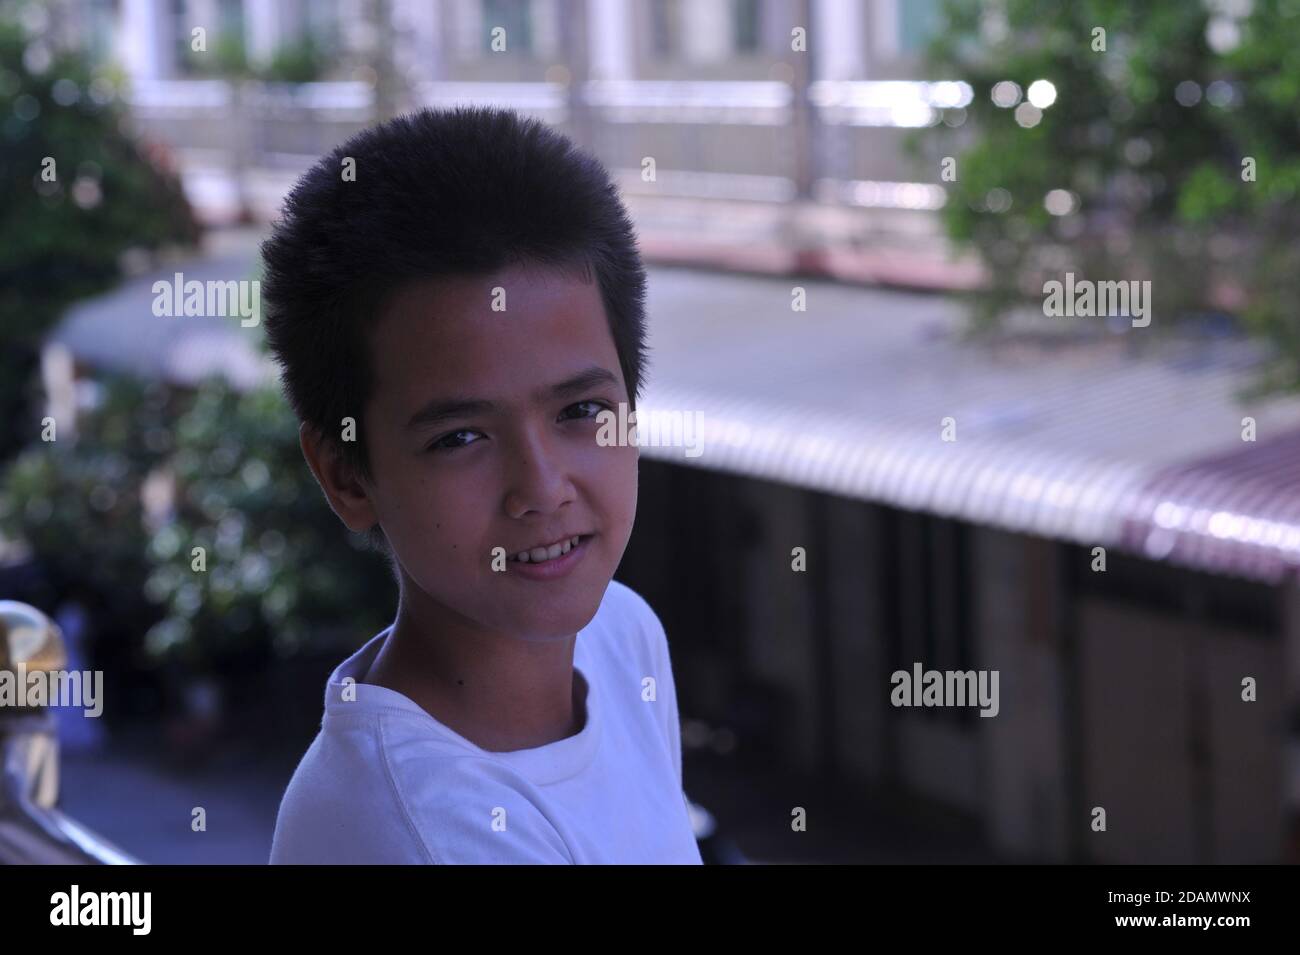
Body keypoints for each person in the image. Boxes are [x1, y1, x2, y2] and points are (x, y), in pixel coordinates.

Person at [263, 106, 701, 864]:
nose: (542, 487)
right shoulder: (421, 830)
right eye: (460, 437)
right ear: (345, 473)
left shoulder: (618, 637)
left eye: (581, 410)